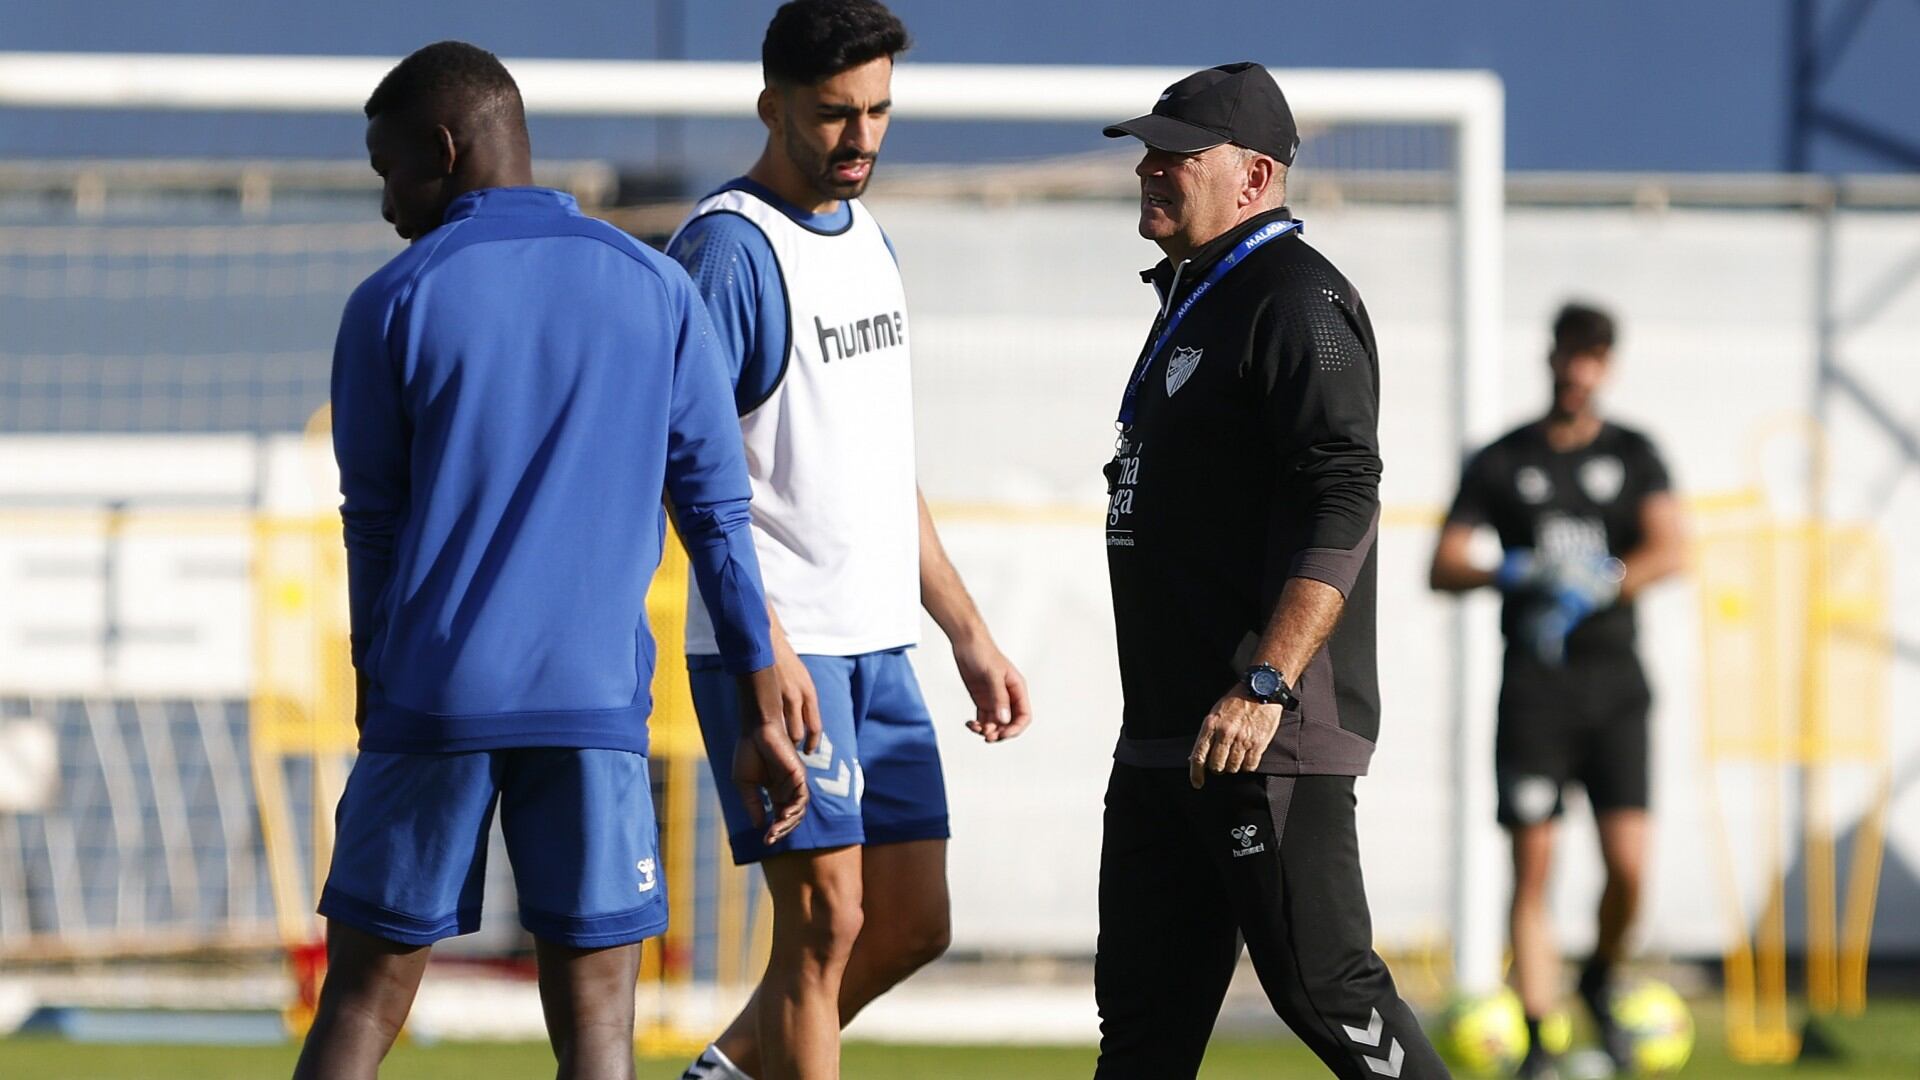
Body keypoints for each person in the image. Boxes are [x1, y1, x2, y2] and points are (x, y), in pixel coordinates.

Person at [295, 41, 809, 1080]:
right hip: (591, 710)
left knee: (358, 1004)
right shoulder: (657, 290)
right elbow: (715, 514)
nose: (390, 202)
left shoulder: (390, 301)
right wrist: (762, 698)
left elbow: (375, 533)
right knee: (598, 1033)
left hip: (433, 699)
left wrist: (372, 697)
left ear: (445, 148)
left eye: (392, 170)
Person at [666, 4, 1032, 1079]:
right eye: (833, 115)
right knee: (822, 925)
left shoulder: (871, 238)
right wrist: (761, 648)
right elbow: (686, 477)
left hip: (883, 649)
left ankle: (726, 1072)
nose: (861, 136)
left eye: (878, 110)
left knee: (912, 922)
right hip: (785, 652)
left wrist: (966, 631)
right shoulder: (726, 252)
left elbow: (879, 472)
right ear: (772, 104)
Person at [1095, 62, 1449, 1080]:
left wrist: (1265, 683)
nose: (1150, 168)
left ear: (1254, 176)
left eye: (1176, 152)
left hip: (1263, 733)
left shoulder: (1296, 298)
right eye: (1147, 151)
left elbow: (1345, 496)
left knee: (1324, 987)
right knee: (1144, 1031)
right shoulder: (1198, 297)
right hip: (1166, 734)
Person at [1429, 302, 1685, 1079]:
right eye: (1571, 355)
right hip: (1536, 693)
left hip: (1616, 690)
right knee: (1533, 866)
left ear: (1608, 365)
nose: (1580, 371)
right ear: (1551, 359)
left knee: (1628, 868)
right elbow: (1443, 563)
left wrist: (1604, 584)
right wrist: (1513, 569)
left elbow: (1671, 547)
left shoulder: (1634, 453)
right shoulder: (1504, 459)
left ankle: (1601, 977)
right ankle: (1541, 1043)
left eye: (1595, 358)